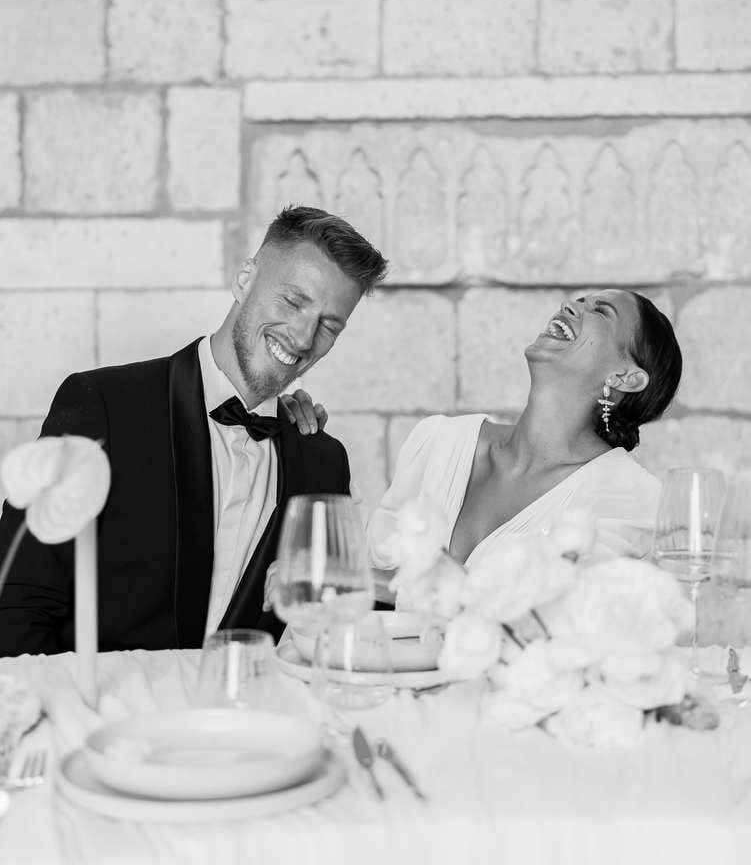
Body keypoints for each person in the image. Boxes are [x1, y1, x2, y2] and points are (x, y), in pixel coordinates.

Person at [0, 206, 387, 657]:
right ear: (245, 279)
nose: (303, 338)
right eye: (294, 301)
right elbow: (17, 604)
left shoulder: (322, 461)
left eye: (328, 325)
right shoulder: (103, 405)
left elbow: (351, 627)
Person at [368, 290, 682, 578]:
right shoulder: (438, 441)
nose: (569, 305)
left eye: (600, 312)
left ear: (625, 377)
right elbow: (367, 577)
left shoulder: (631, 498)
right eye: (579, 301)